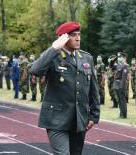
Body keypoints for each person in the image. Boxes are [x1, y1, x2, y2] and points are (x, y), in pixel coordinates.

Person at [30, 21, 100, 154]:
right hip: (56, 119)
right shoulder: (53, 56)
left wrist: (94, 116)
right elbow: (35, 70)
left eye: (79, 34)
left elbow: (93, 89)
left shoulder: (86, 58)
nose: (78, 38)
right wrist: (54, 48)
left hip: (79, 119)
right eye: (73, 35)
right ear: (63, 38)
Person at [113, 52, 128, 118]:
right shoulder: (118, 65)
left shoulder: (125, 65)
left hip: (121, 84)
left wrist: (121, 86)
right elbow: (111, 65)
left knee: (122, 100)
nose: (119, 58)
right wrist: (115, 58)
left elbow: (124, 77)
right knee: (119, 100)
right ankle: (121, 113)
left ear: (124, 58)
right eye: (119, 57)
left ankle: (124, 114)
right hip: (116, 83)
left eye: (120, 57)